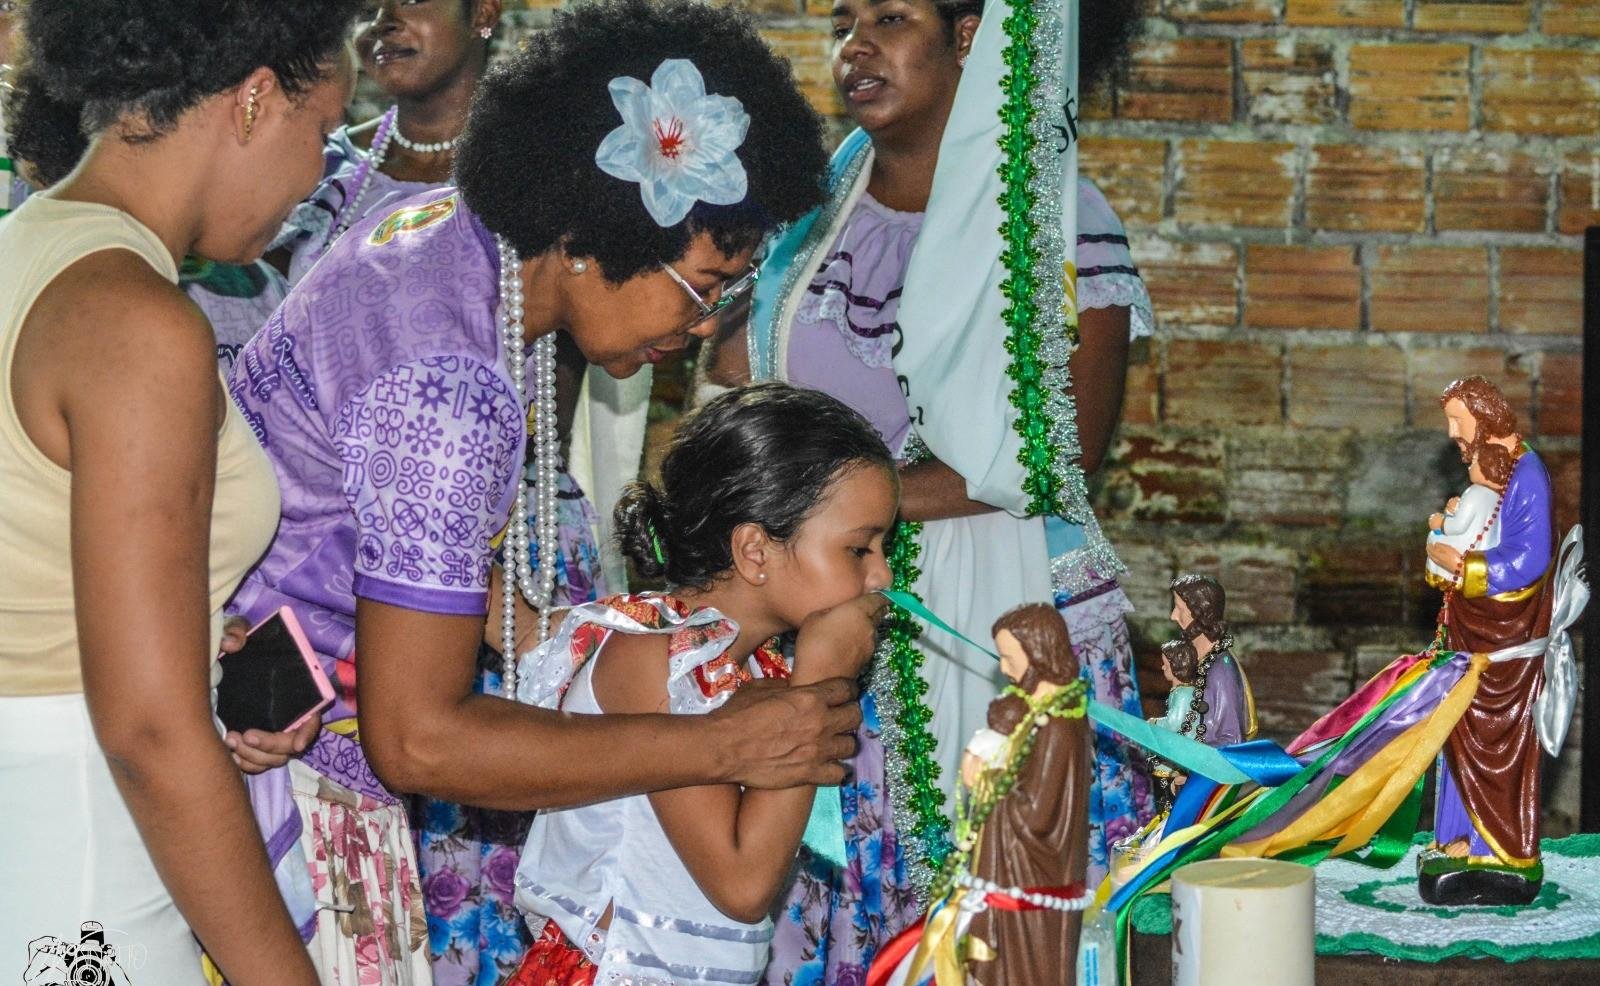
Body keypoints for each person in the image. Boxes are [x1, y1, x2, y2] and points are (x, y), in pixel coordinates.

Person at [226, 0, 865, 976]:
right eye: (704, 287)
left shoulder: (439, 238)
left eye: (731, 300)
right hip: (279, 783)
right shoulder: (451, 386)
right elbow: (423, 741)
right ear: (586, 227)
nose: (704, 329)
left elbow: (379, 525)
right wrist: (718, 742)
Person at [698, 0, 1149, 976]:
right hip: (831, 632)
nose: (855, 45)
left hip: (1001, 635)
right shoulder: (799, 226)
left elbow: (1054, 456)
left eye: (890, 18)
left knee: (1009, 922)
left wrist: (836, 508)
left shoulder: (1056, 225)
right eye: (846, 21)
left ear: (968, 38)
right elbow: (742, 399)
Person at [0, 1, 358, 982]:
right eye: (320, 133)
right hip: (86, 862)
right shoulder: (138, 320)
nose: (314, 174)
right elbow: (150, 729)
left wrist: (188, 633)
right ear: (252, 102)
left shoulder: (27, 247)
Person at [509, 383, 897, 985]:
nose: (882, 573)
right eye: (858, 548)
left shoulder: (751, 669)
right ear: (754, 550)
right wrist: (822, 673)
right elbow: (741, 884)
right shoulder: (650, 660)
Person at [1420, 375, 1555, 905]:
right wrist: (1446, 565)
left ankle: (1502, 855)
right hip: (1471, 632)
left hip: (1505, 641)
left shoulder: (1527, 472)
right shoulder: (1490, 472)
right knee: (1458, 734)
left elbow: (1529, 558)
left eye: (1458, 419)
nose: (1452, 432)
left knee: (1495, 743)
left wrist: (1465, 568)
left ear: (1482, 415)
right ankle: (1458, 841)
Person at [274, 0, 502, 284]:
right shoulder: (322, 168)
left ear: (483, 13)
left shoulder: (536, 171)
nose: (382, 22)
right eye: (366, 11)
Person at [967, 603, 1090, 985]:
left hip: (1034, 873)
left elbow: (1036, 815)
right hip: (1025, 871)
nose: (1003, 669)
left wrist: (985, 779)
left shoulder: (1057, 723)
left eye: (1009, 658)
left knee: (1028, 968)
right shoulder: (1047, 711)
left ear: (1037, 654)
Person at [1424, 444, 1508, 589]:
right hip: (1486, 545)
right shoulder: (1496, 495)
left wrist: (1441, 523)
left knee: (1434, 538)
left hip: (1469, 545)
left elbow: (1458, 526)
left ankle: (1442, 577)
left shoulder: (1474, 493)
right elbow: (1476, 517)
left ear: (1486, 468)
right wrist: (1454, 510)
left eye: (1474, 463)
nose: (1469, 467)